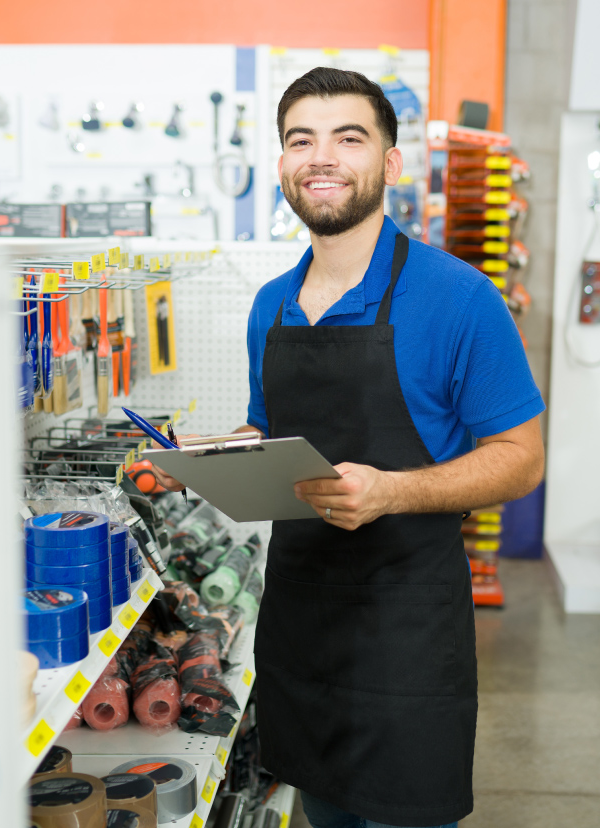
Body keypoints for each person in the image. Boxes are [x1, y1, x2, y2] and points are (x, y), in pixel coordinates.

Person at [154, 67, 545, 828]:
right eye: (301, 139)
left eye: (348, 138)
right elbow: (267, 432)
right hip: (301, 624)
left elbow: (521, 456)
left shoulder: (459, 297)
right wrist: (198, 457)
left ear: (390, 165)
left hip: (407, 634)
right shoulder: (269, 304)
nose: (321, 156)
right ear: (281, 165)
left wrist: (394, 490)